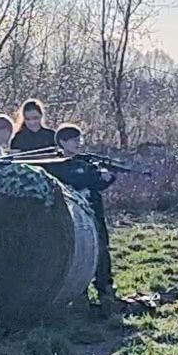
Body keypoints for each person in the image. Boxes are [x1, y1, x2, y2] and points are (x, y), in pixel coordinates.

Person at [46, 124, 121, 314]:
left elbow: (97, 184)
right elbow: (73, 179)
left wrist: (109, 176)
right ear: (62, 142)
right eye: (73, 140)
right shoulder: (55, 163)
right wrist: (94, 175)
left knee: (102, 250)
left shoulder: (85, 163)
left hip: (94, 213)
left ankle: (106, 290)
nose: (77, 143)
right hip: (72, 218)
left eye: (79, 139)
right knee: (78, 254)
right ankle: (80, 294)